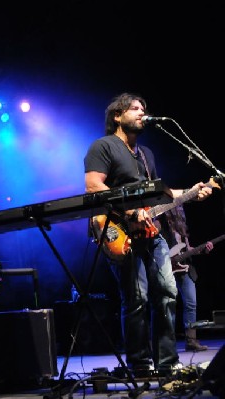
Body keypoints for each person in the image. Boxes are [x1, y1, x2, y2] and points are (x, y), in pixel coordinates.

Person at [83, 93, 213, 375]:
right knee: (136, 299)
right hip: (120, 232)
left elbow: (159, 197)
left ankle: (167, 363)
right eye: (135, 108)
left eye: (144, 108)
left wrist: (192, 193)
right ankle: (140, 364)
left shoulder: (146, 155)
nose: (142, 112)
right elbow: (94, 187)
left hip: (153, 234)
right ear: (117, 116)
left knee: (167, 292)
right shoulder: (103, 147)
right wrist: (129, 212)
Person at [159, 205, 213, 351]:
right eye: (177, 209)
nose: (179, 211)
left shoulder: (181, 229)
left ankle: (191, 341)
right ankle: (167, 343)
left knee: (191, 303)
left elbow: (187, 249)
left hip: (185, 267)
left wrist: (201, 250)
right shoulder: (160, 221)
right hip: (166, 266)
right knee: (167, 304)